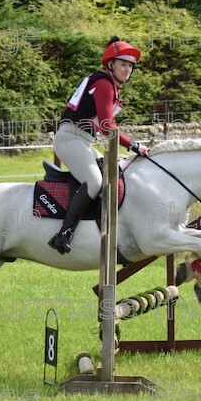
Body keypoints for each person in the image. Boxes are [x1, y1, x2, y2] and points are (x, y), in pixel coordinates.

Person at [48, 36, 149, 254]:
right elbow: (106, 125)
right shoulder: (104, 83)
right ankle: (64, 233)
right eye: (123, 64)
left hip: (83, 140)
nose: (128, 69)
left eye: (131, 66)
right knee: (94, 181)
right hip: (70, 138)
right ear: (110, 64)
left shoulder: (110, 84)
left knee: (112, 173)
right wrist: (133, 145)